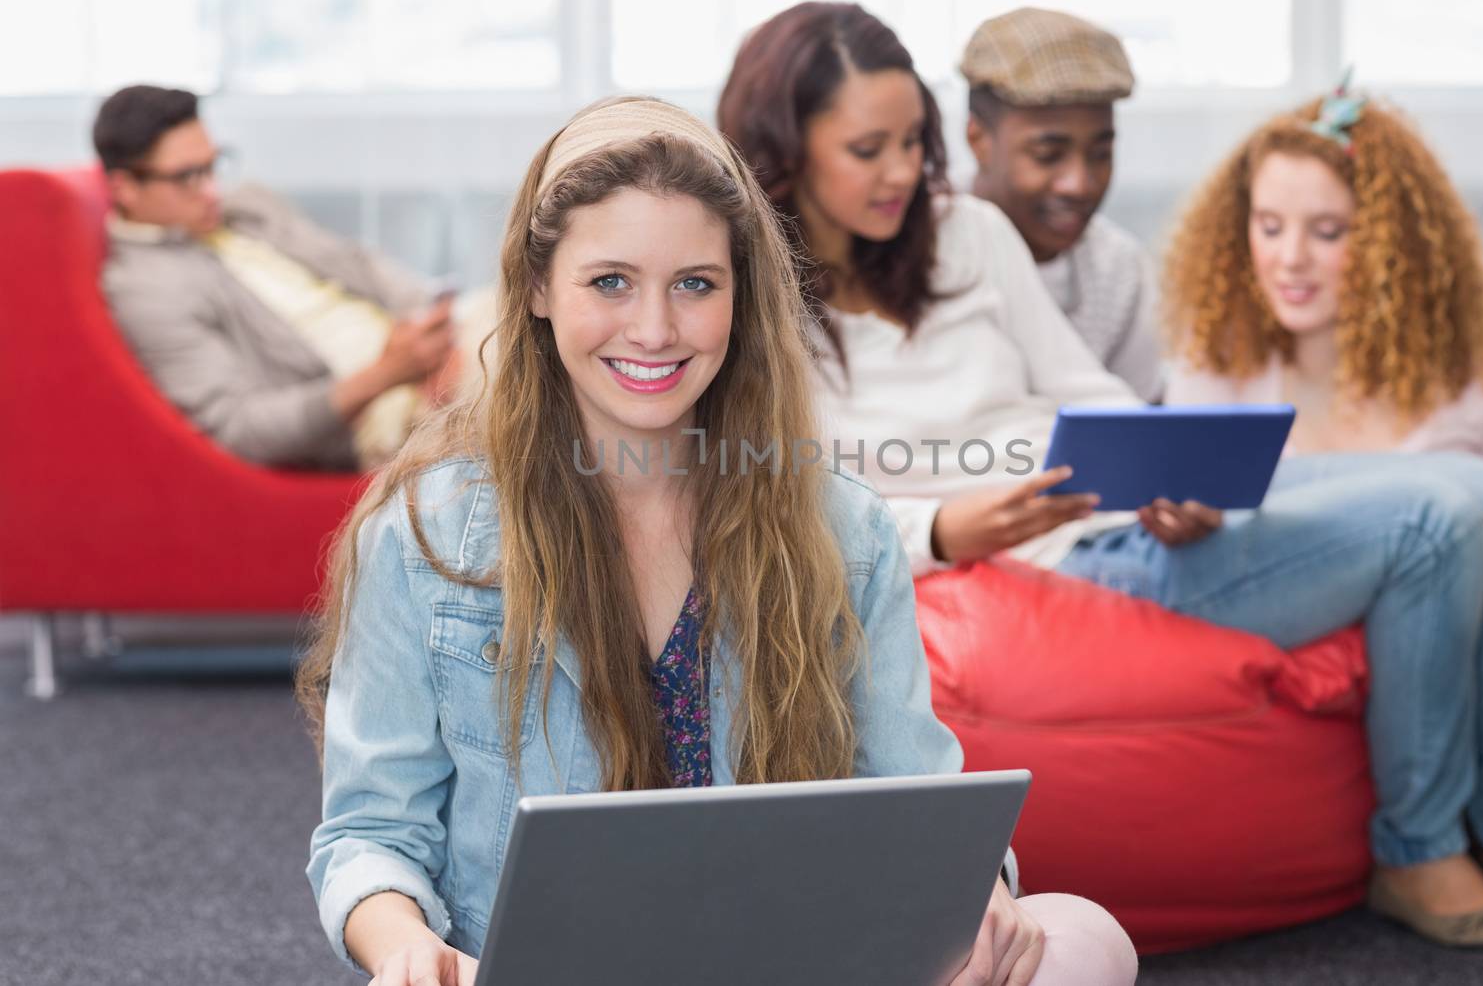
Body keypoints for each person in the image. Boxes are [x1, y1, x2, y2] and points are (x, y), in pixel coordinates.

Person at [717, 1, 1483, 948]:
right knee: (1432, 524)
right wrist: (945, 528)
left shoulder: (965, 234)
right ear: (786, 149)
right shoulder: (754, 315)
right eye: (867, 149)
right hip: (1049, 569)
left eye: (911, 142)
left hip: (1110, 507)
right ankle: (1420, 851)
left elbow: (1081, 389)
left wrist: (1163, 472)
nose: (901, 172)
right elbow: (781, 500)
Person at [299, 96, 1138, 986]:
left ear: (740, 296)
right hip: (548, 974)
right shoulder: (427, 535)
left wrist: (977, 895)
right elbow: (370, 836)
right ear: (541, 288)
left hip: (789, 962)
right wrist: (403, 946)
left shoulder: (842, 528)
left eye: (695, 283)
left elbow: (917, 801)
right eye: (610, 281)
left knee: (1083, 937)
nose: (655, 329)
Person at [1163, 79, 1483, 876]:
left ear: (1392, 244)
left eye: (1328, 232)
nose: (1290, 257)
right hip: (1410, 665)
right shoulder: (1218, 358)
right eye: (1269, 226)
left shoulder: (1477, 365)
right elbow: (1222, 556)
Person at [94, 84, 491, 471]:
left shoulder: (245, 206)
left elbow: (354, 262)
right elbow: (242, 427)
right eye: (187, 177)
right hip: (384, 412)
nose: (212, 190)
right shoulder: (144, 289)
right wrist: (390, 373)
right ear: (125, 188)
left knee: (535, 295)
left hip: (429, 348)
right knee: (535, 357)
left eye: (214, 165)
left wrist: (433, 321)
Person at [961, 8, 1163, 401]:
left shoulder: (1119, 269)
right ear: (978, 139)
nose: (1079, 184)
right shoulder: (922, 247)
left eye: (1101, 154)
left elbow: (1144, 427)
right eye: (1048, 154)